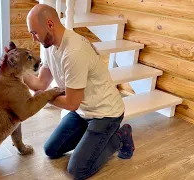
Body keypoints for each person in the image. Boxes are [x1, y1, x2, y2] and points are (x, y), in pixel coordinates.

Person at [24, 4, 135, 180]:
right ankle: (91, 140)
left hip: (105, 114)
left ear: (50, 25)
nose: (33, 38)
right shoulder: (50, 46)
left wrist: (45, 98)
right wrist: (17, 71)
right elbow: (40, 84)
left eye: (34, 33)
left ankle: (120, 137)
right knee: (51, 150)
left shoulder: (74, 52)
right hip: (83, 112)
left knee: (78, 170)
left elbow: (71, 103)